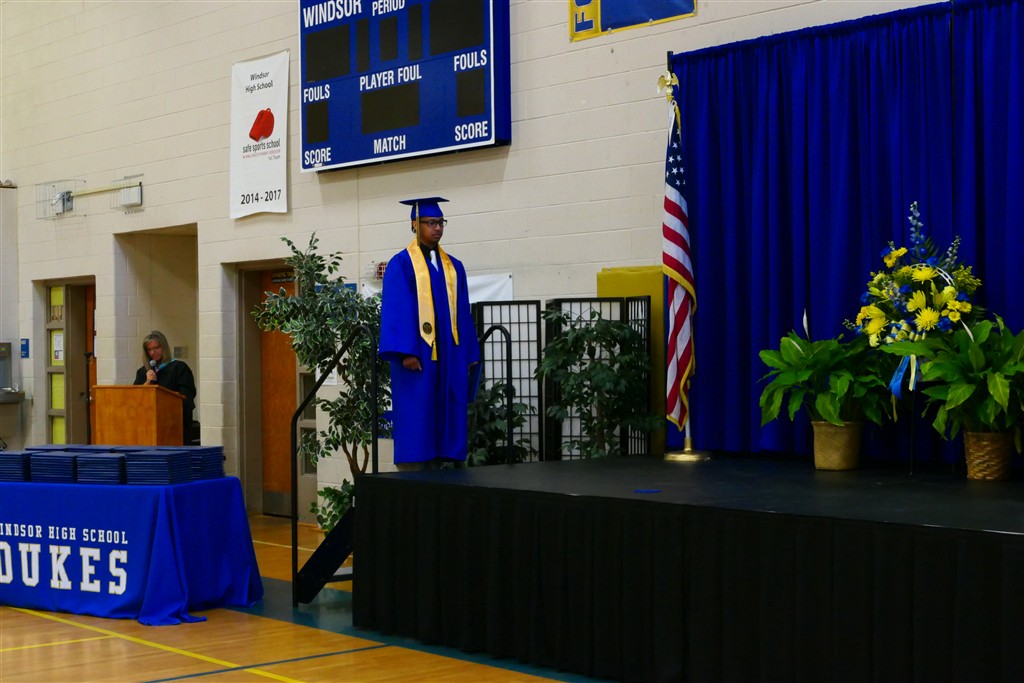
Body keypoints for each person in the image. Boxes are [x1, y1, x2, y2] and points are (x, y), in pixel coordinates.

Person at [379, 197, 479, 470]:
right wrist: (406, 352)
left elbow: (463, 311)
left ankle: (442, 461)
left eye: (440, 223)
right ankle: (413, 469)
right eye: (431, 223)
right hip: (419, 355)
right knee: (417, 409)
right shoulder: (401, 264)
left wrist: (468, 353)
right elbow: (397, 310)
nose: (437, 228)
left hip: (450, 355)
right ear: (415, 224)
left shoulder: (454, 267)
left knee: (447, 407)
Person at [133, 330, 197, 445]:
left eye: (156, 348)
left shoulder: (179, 368)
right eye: (149, 349)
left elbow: (187, 397)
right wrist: (148, 382)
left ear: (164, 347)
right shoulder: (143, 372)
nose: (153, 352)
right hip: (148, 426)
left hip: (174, 425)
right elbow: (135, 399)